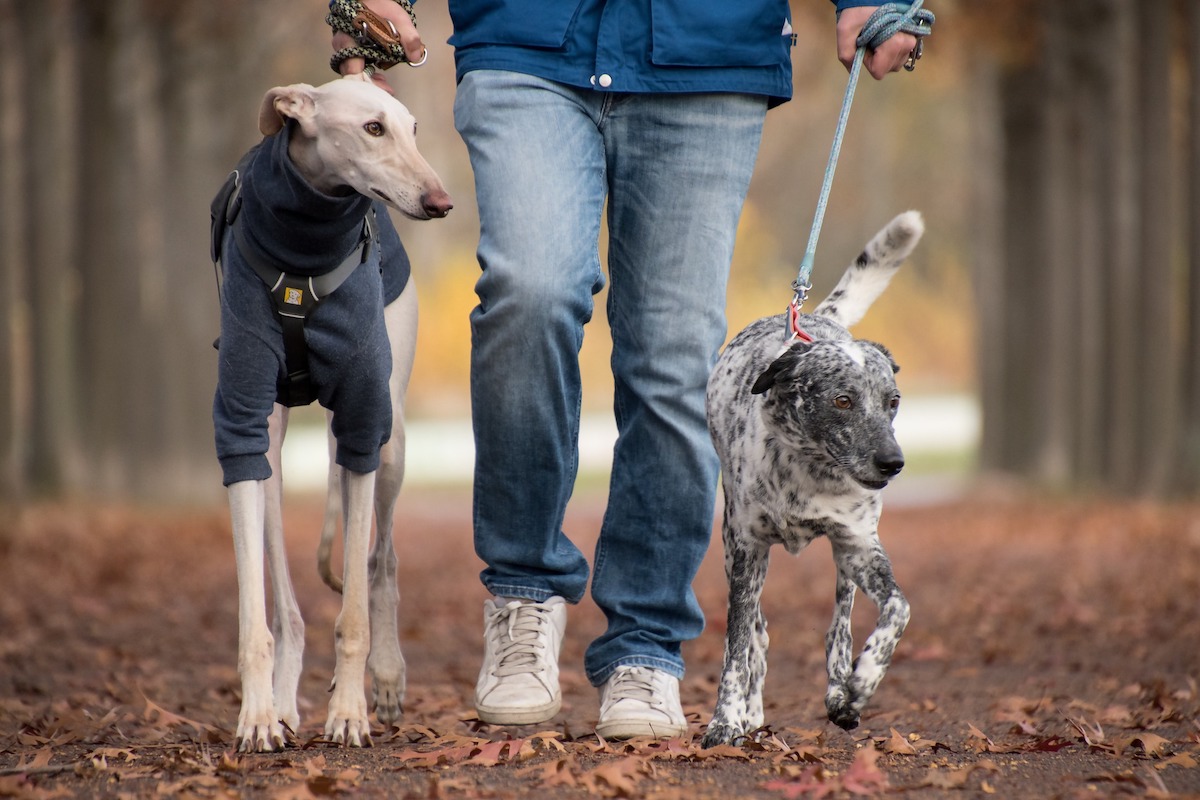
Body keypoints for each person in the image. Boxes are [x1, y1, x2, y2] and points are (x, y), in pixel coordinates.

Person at [336, 0, 921, 740]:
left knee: (675, 354)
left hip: (708, 52)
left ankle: (646, 642)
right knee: (529, 292)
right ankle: (524, 591)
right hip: (529, 41)